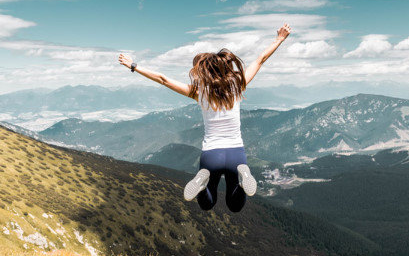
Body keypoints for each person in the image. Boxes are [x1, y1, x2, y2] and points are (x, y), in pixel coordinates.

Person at [118, 23, 291, 212]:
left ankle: (202, 181)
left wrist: (133, 66)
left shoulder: (199, 91)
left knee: (207, 203)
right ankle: (243, 180)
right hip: (236, 155)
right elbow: (260, 60)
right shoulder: (237, 85)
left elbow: (163, 79)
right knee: (234, 205)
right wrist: (279, 39)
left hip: (211, 156)